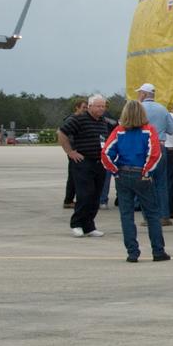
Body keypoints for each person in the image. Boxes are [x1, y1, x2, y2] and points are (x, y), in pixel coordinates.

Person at [100, 100, 168, 262]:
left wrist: (115, 171)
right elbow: (155, 154)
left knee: (126, 215)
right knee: (152, 214)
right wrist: (146, 172)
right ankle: (158, 251)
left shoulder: (119, 131)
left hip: (123, 174)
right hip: (141, 174)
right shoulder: (149, 130)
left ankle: (132, 252)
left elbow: (105, 154)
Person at [57, 94, 113, 238]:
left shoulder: (103, 121)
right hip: (84, 162)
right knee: (85, 195)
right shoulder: (79, 119)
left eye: (103, 106)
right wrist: (70, 152)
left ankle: (89, 226)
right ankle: (76, 224)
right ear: (90, 106)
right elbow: (62, 133)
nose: (101, 109)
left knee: (96, 195)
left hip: (99, 162)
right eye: (98, 106)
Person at [136, 83, 173, 227]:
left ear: (143, 94)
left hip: (143, 147)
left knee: (145, 182)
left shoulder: (138, 108)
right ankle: (164, 216)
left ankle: (148, 217)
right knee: (161, 182)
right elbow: (172, 129)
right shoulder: (162, 109)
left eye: (139, 93)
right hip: (160, 146)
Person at [62, 98, 87, 209]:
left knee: (75, 176)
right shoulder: (72, 119)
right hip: (75, 152)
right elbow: (64, 134)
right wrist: (71, 150)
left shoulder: (82, 119)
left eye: (87, 108)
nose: (85, 110)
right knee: (73, 177)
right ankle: (68, 200)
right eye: (83, 108)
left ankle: (71, 199)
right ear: (77, 107)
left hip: (79, 151)